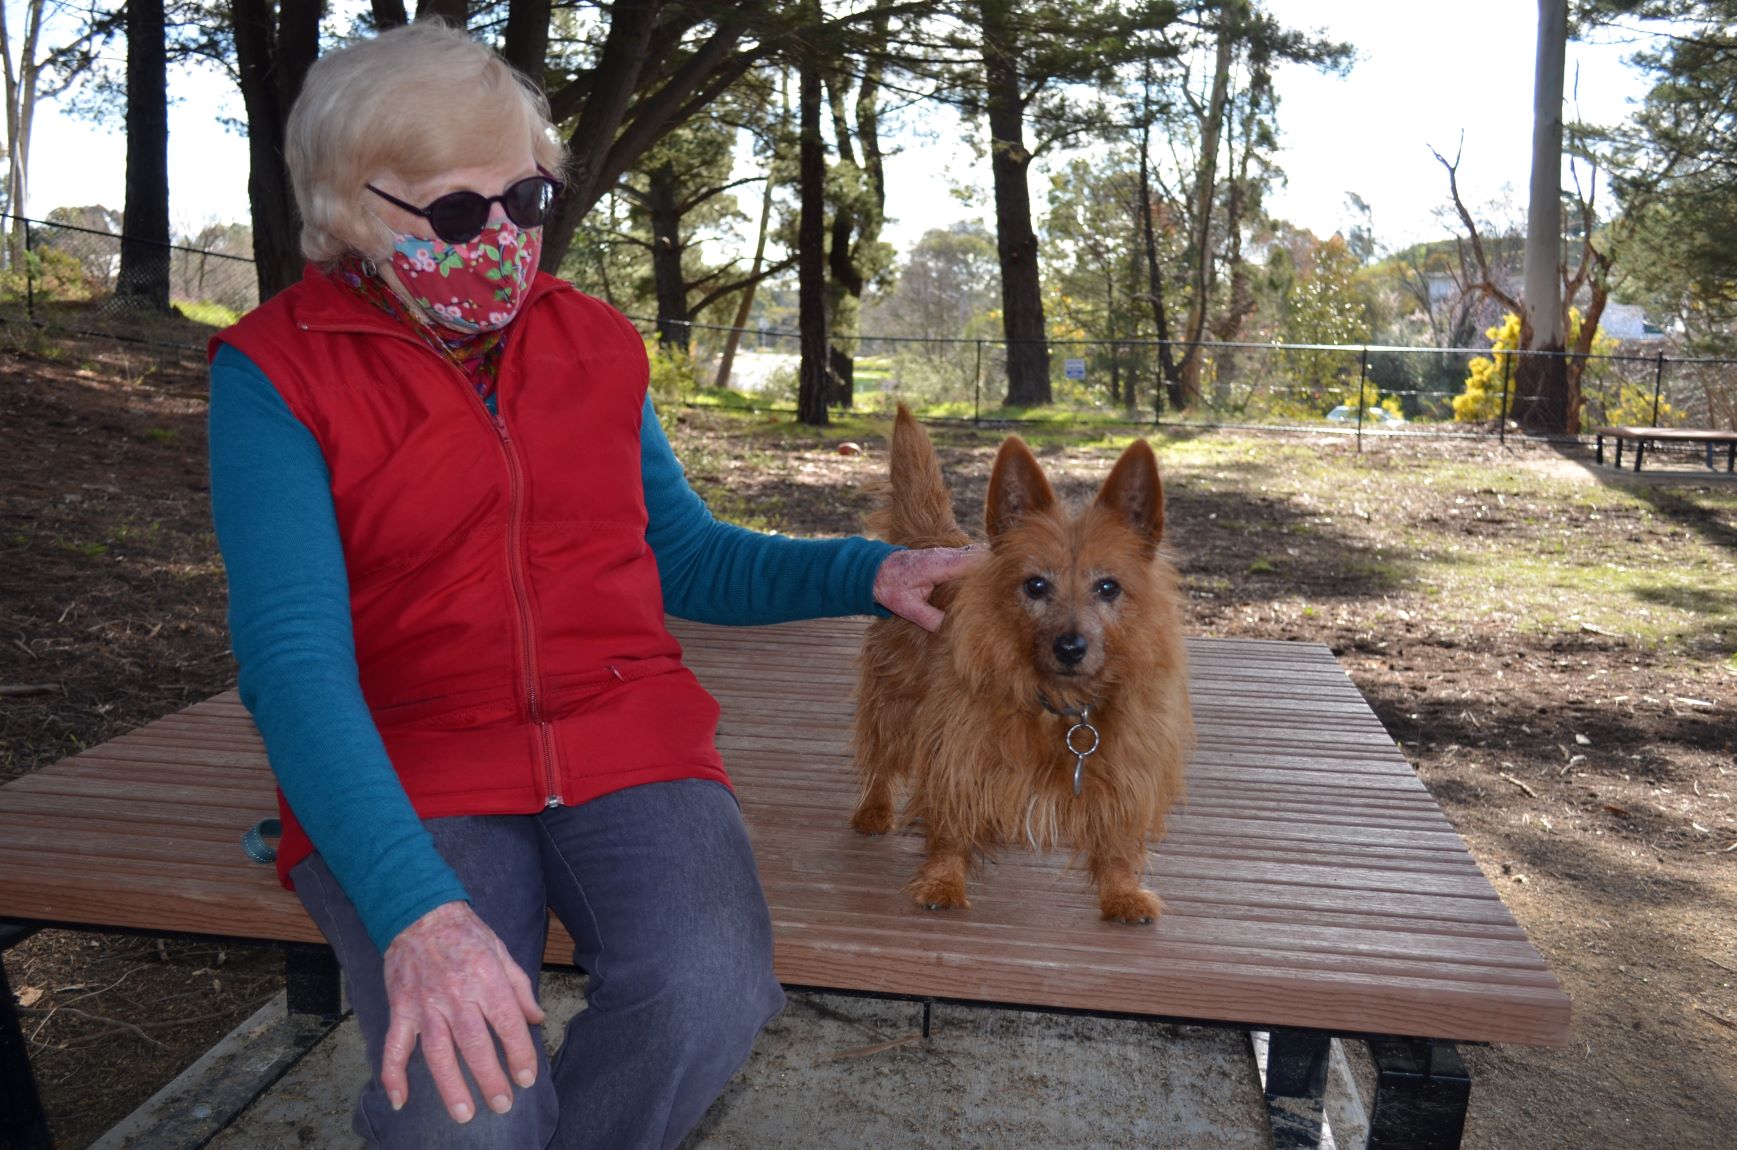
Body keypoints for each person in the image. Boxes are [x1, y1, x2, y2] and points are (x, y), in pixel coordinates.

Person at [206, 22, 975, 1150]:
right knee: (469, 1117)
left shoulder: (597, 345)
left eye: (524, 199)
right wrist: (416, 909)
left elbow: (685, 555)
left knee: (705, 991)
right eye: (456, 213)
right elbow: (292, 661)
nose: (504, 238)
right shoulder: (276, 372)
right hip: (412, 755)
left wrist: (872, 570)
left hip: (624, 733)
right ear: (353, 210)